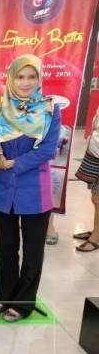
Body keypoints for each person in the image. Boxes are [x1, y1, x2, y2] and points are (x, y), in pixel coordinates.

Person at [0, 54, 60, 322]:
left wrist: (12, 163)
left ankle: (23, 303)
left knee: (33, 250)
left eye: (31, 76)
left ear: (39, 79)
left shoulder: (49, 109)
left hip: (34, 190)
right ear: (11, 78)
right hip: (4, 190)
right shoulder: (1, 109)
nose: (25, 82)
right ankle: (5, 295)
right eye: (20, 76)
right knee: (5, 247)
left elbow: (48, 150)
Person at [74, 106, 99, 252]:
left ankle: (96, 238)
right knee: (95, 198)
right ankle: (96, 230)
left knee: (98, 199)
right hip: (95, 154)